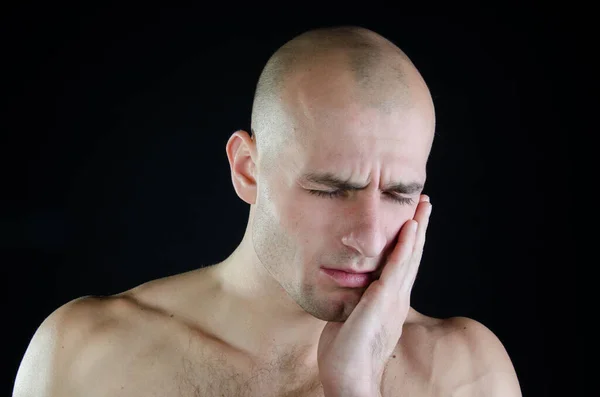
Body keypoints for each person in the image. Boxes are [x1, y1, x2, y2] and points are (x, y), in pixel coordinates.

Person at [13, 26, 522, 397]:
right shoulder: (85, 356)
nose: (369, 238)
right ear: (248, 169)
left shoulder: (464, 374)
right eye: (331, 189)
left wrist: (355, 387)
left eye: (399, 195)